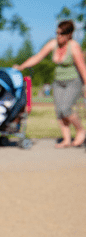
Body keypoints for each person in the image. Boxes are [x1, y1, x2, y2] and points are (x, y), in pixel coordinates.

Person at [14, 20, 86, 148]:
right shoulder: (53, 44)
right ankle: (66, 140)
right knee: (59, 111)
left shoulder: (74, 46)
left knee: (66, 108)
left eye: (62, 33)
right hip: (58, 82)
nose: (59, 36)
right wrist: (21, 67)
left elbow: (82, 67)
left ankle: (80, 131)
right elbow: (38, 57)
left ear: (70, 34)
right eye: (57, 33)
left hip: (74, 81)